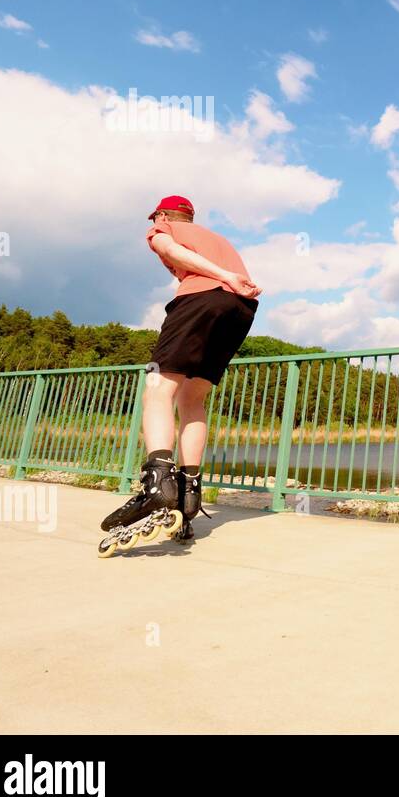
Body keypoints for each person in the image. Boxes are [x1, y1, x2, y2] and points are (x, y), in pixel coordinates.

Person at [100, 195, 262, 549]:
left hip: (203, 297)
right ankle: (188, 495)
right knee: (193, 397)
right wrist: (232, 280)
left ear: (162, 214)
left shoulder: (163, 226)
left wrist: (221, 276)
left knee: (158, 387)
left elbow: (169, 249)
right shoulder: (216, 238)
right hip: (241, 308)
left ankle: (157, 484)